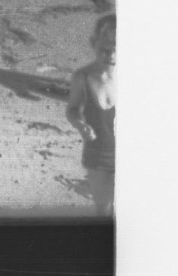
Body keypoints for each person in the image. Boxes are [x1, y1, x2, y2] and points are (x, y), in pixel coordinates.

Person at [65, 12, 116, 216]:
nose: (111, 55)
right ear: (93, 43)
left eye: (117, 49)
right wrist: (80, 124)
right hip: (98, 154)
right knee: (103, 207)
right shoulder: (82, 77)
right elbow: (72, 109)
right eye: (105, 49)